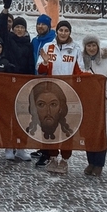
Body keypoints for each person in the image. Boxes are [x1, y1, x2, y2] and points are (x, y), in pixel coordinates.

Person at [35, 19, 83, 174]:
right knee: (51, 126)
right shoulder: (48, 47)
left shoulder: (75, 49)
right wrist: (45, 62)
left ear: (69, 33)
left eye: (66, 31)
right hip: (50, 94)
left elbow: (80, 71)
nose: (63, 33)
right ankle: (53, 157)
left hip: (68, 95)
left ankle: (65, 159)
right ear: (57, 32)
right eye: (61, 30)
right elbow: (40, 69)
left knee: (66, 127)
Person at [80, 35, 107, 177]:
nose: (91, 48)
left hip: (103, 104)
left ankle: (99, 163)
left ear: (97, 46)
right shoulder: (81, 61)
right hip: (88, 104)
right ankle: (91, 161)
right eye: (88, 46)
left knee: (101, 134)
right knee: (89, 134)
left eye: (93, 45)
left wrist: (105, 95)